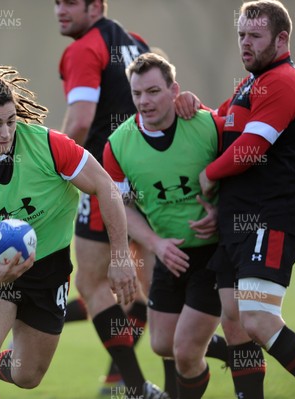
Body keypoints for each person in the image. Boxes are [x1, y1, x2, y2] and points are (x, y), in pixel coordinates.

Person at [0, 65, 167, 399]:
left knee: (28, 375)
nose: (6, 132)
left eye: (11, 121)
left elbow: (106, 187)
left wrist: (120, 257)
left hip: (49, 270)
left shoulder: (48, 146)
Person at [176, 1, 295, 397]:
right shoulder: (252, 84)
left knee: (258, 319)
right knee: (235, 324)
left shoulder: (283, 80)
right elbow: (220, 125)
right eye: (241, 35)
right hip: (237, 224)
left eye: (255, 36)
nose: (245, 44)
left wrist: (209, 174)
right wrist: (192, 106)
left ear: (281, 38)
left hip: (270, 220)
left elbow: (253, 144)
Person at [105, 52, 226, 399]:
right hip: (168, 255)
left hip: (216, 254)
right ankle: (232, 350)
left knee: (186, 353)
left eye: (154, 91)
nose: (144, 101)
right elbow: (120, 208)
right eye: (137, 93)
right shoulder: (118, 145)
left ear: (174, 90)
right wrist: (155, 244)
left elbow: (244, 178)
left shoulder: (207, 125)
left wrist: (220, 212)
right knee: (162, 344)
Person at [54, 0, 153, 393]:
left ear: (96, 6)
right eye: (56, 3)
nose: (61, 10)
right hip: (148, 180)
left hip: (105, 181)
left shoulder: (83, 48)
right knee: (147, 292)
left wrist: (55, 170)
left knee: (93, 286)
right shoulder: (136, 42)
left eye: (71, 3)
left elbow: (79, 121)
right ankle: (121, 378)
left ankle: (133, 384)